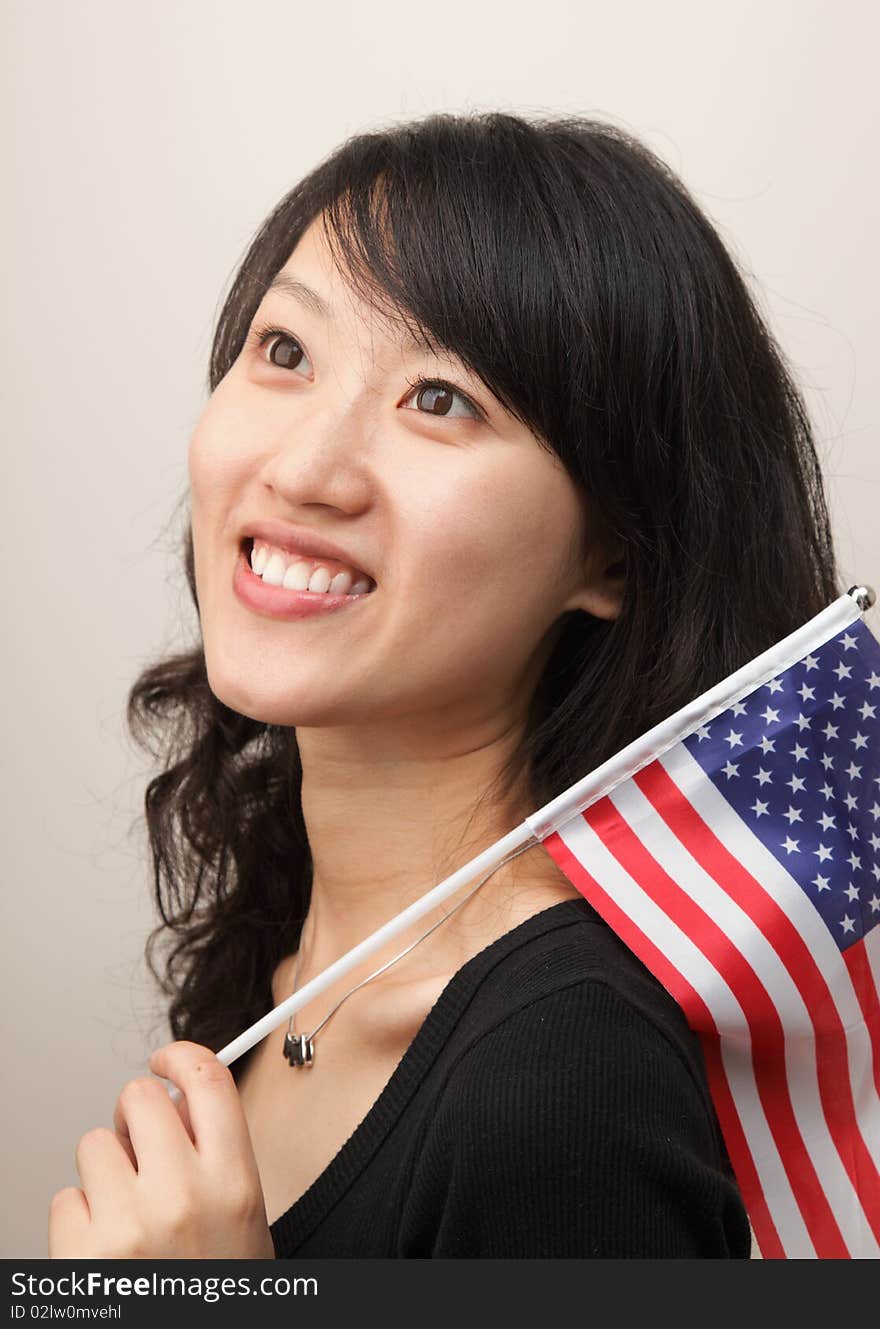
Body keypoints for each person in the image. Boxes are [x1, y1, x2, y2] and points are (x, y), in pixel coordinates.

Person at [49, 110, 840, 1259]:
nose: (305, 469)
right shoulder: (289, 949)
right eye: (285, 352)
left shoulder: (564, 1081)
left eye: (440, 399)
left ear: (610, 556)